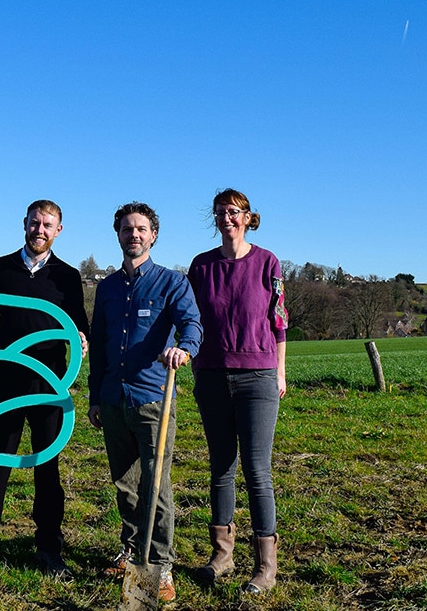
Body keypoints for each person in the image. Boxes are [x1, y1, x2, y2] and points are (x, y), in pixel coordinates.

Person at [0, 199, 90, 581]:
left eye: (48, 225)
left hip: (50, 383)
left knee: (47, 467)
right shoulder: (1, 267)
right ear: (24, 224)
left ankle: (49, 549)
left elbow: (77, 321)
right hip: (6, 380)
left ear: (59, 230)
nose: (40, 230)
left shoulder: (68, 276)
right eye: (35, 223)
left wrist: (82, 337)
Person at [87, 202, 202, 603]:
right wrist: (94, 397)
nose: (133, 234)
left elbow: (192, 323)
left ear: (153, 235)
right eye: (126, 229)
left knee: (156, 486)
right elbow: (100, 345)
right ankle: (131, 550)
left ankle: (161, 565)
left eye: (140, 229)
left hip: (154, 398)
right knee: (126, 484)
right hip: (113, 398)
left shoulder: (172, 283)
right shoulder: (106, 288)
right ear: (117, 234)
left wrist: (184, 348)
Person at [186, 188, 288, 594]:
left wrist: (279, 371)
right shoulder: (201, 266)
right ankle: (222, 555)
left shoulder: (268, 262)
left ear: (247, 217)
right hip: (211, 376)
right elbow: (188, 317)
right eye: (220, 213)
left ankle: (266, 566)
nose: (226, 218)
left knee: (257, 470)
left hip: (258, 377)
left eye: (233, 212)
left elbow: (279, 321)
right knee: (220, 467)